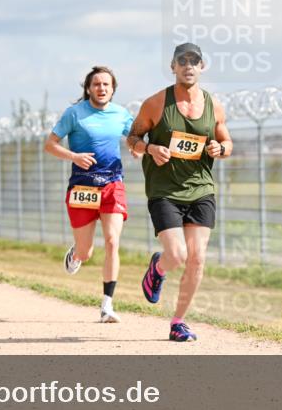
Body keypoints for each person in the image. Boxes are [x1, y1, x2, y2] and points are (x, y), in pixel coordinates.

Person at [126, 43, 233, 342]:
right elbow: (132, 138)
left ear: (202, 66)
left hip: (201, 189)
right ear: (172, 66)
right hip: (165, 190)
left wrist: (220, 148)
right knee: (177, 255)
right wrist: (149, 148)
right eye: (182, 61)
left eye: (194, 61)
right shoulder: (156, 103)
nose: (188, 66)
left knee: (197, 258)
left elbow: (227, 143)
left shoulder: (214, 106)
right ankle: (158, 268)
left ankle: (178, 322)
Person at [44, 66, 133, 323]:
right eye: (96, 84)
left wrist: (137, 148)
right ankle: (76, 254)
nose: (101, 88)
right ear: (88, 88)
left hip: (112, 184)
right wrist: (74, 156)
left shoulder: (121, 114)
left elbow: (135, 138)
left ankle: (107, 305)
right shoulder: (75, 113)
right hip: (82, 188)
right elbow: (50, 145)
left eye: (106, 84)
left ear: (113, 89)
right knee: (86, 252)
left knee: (112, 241)